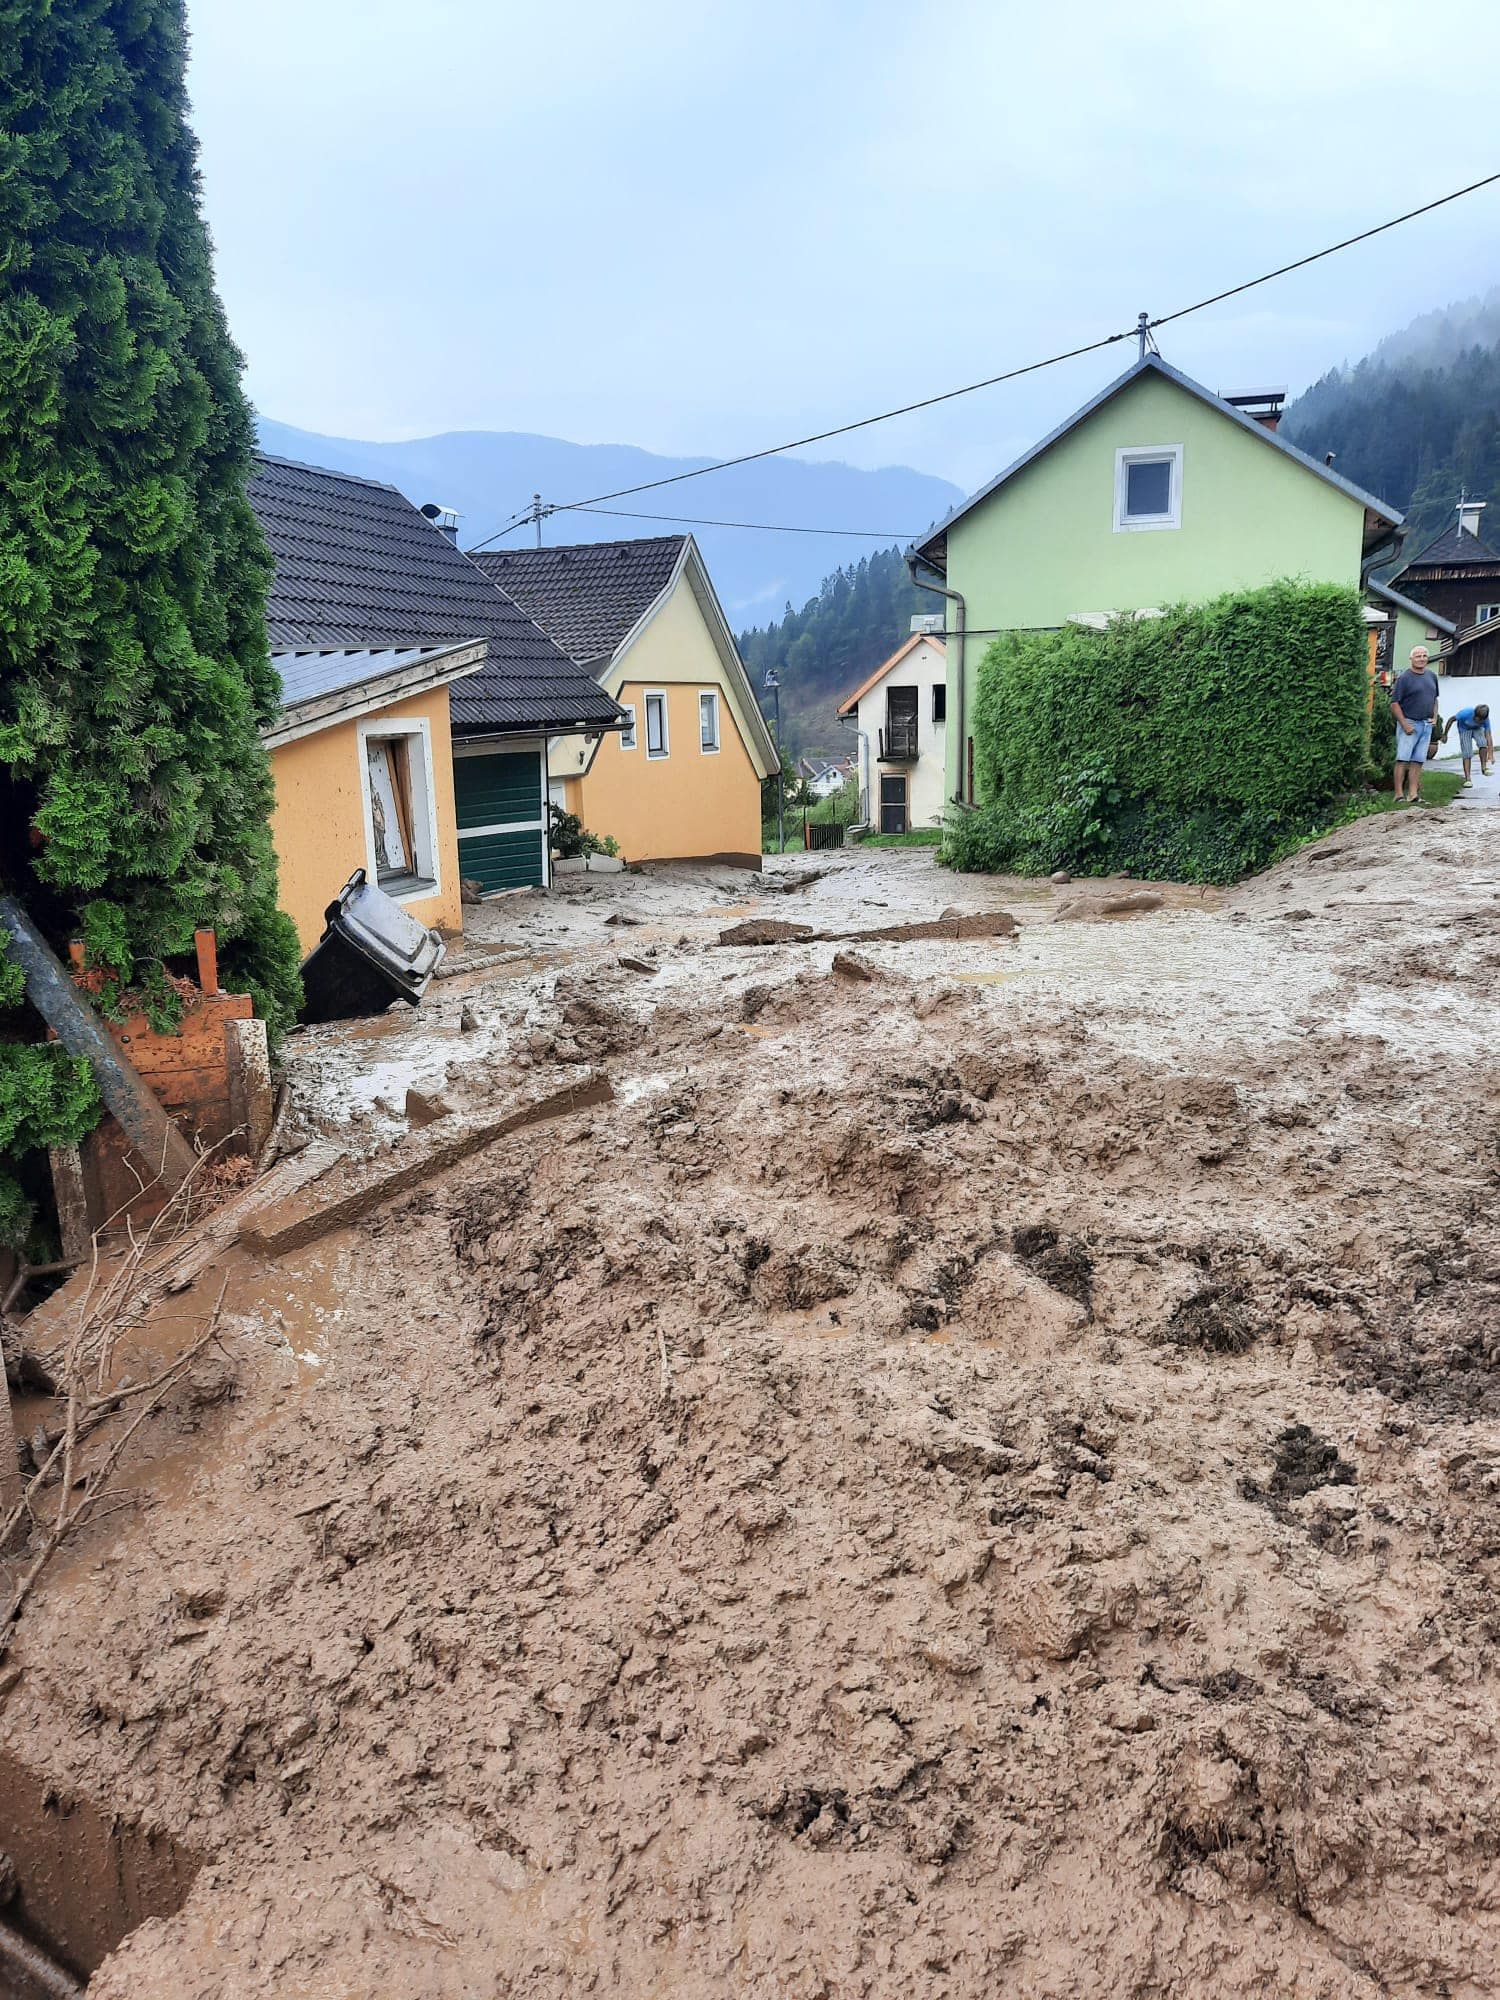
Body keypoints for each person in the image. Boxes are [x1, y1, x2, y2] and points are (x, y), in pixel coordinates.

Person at [1389, 646, 1440, 803]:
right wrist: (1404, 724)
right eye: (1418, 656)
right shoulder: (1405, 678)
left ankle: (1413, 794)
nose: (1422, 658)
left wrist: (1435, 718)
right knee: (1402, 759)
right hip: (1409, 723)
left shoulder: (1432, 676)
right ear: (1411, 659)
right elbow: (1394, 704)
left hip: (1426, 724)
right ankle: (1398, 795)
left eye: (1424, 656)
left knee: (1418, 760)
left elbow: (1434, 699)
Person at [1444, 700, 1494, 785]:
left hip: (1477, 729)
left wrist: (1491, 754)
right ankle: (1468, 779)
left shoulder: (1485, 720)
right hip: (1464, 729)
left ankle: (1484, 768)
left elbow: (1488, 736)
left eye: (1480, 721)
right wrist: (1445, 734)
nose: (1478, 721)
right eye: (1477, 719)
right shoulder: (1464, 714)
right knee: (1467, 752)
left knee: (1483, 743)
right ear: (1474, 714)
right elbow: (1451, 720)